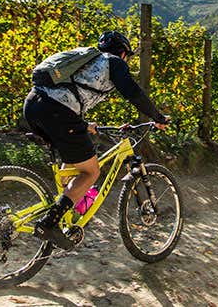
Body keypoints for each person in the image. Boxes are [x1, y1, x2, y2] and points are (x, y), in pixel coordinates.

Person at [23, 31, 169, 250]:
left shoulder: (86, 61)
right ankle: (50, 223)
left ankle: (64, 213)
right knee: (91, 172)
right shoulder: (113, 62)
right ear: (123, 53)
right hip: (56, 111)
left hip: (34, 104)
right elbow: (133, 93)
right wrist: (157, 117)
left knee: (73, 167)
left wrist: (84, 124)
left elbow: (68, 93)